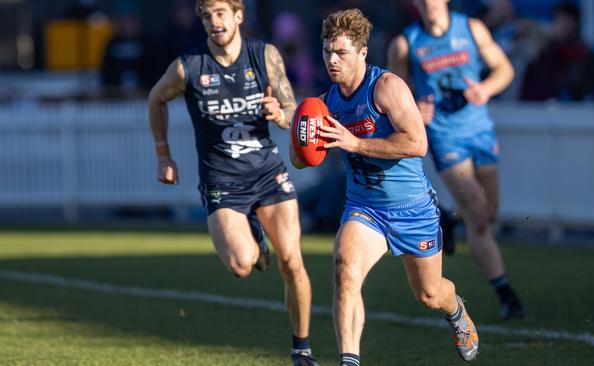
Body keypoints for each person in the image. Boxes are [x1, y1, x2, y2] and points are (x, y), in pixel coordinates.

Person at [304, 8, 479, 365]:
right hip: (364, 207)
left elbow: (417, 143)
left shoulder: (386, 87)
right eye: (326, 52)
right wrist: (295, 130)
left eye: (341, 53)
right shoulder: (326, 103)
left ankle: (457, 312)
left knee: (430, 294)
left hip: (412, 209)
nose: (332, 61)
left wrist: (355, 143)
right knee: (344, 267)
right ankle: (349, 360)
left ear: (363, 52)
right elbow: (302, 157)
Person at [147, 1, 318, 365]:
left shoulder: (264, 56)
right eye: (207, 16)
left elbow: (291, 110)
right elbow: (155, 99)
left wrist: (280, 113)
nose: (214, 22)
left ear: (238, 16)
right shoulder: (188, 66)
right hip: (222, 179)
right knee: (242, 264)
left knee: (291, 261)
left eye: (221, 13)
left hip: (267, 172)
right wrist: (164, 155)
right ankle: (253, 231)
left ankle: (301, 348)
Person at [387, 0, 524, 320]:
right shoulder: (406, 43)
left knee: (489, 212)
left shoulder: (472, 29)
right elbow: (392, 91)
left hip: (480, 131)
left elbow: (505, 69)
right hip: (444, 136)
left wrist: (485, 89)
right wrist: (413, 108)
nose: (428, 4)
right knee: (478, 214)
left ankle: (449, 219)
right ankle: (507, 295)